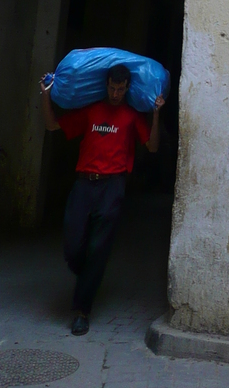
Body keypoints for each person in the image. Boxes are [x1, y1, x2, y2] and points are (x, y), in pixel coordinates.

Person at [40, 64, 165, 336]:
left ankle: (81, 311)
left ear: (127, 88)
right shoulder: (91, 110)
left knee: (99, 249)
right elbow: (51, 125)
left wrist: (155, 115)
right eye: (112, 87)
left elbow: (152, 146)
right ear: (106, 85)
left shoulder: (132, 116)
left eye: (121, 89)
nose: (116, 93)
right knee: (74, 247)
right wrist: (46, 94)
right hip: (84, 184)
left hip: (113, 187)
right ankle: (87, 275)